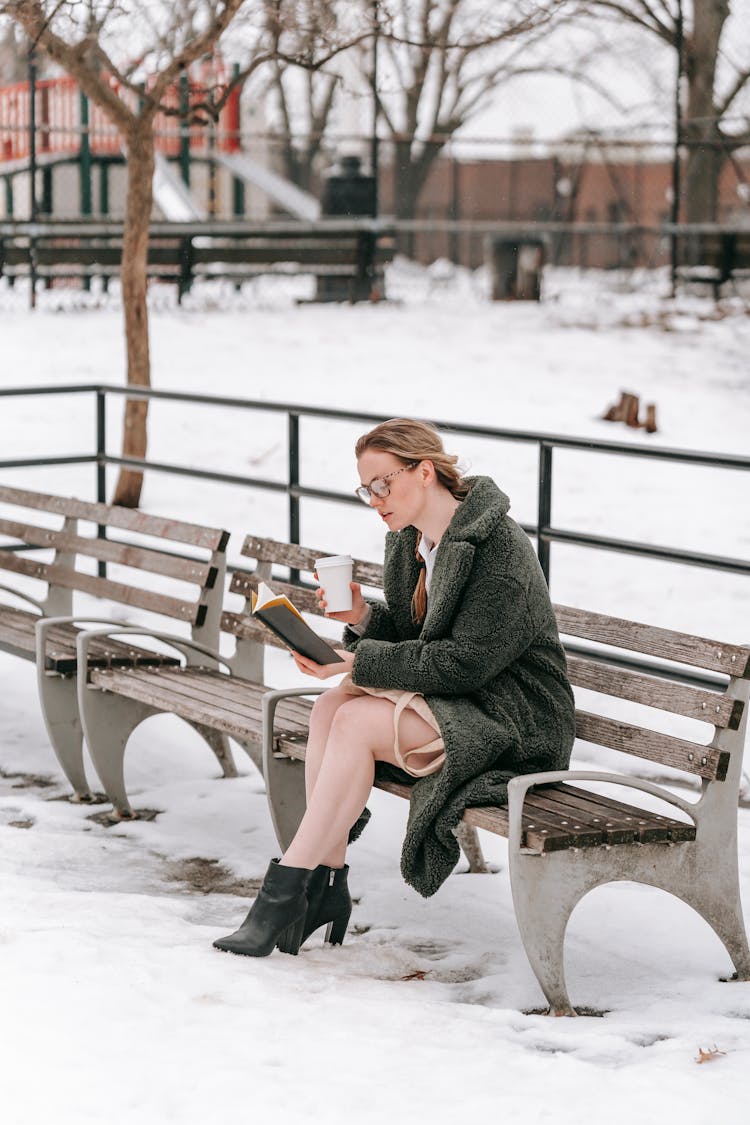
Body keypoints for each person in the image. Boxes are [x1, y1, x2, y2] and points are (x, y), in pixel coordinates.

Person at [213, 418, 575, 958]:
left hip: (514, 718)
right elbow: (416, 641)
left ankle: (285, 892)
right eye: (366, 489)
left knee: (354, 719)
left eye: (383, 483)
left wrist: (355, 659)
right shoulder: (410, 542)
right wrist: (362, 617)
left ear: (425, 472)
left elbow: (463, 664)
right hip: (457, 700)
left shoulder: (499, 546)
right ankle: (327, 886)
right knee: (329, 709)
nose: (374, 499)